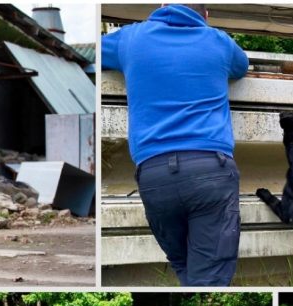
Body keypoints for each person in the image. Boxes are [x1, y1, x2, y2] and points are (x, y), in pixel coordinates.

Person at [102, 4, 248, 287]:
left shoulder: (131, 39)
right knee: (209, 276)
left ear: (161, 6)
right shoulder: (218, 40)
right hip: (210, 170)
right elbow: (241, 66)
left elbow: (93, 54)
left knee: (184, 266)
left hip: (155, 175)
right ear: (205, 15)